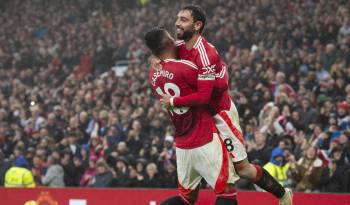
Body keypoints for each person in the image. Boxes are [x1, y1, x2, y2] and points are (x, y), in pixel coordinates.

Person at [160, 5, 292, 205]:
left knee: (243, 169)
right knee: (190, 192)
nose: (177, 22)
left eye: (184, 19)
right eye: (177, 18)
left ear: (197, 25)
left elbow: (208, 93)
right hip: (199, 117)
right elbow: (161, 54)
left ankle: (283, 195)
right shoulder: (178, 47)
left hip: (219, 114)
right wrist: (156, 59)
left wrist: (173, 101)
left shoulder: (205, 53)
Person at [145, 27, 239, 205]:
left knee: (187, 198)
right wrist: (221, 67)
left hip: (182, 144)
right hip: (204, 137)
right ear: (167, 42)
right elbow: (215, 86)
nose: (175, 39)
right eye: (171, 37)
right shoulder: (185, 68)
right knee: (226, 193)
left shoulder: (153, 74)